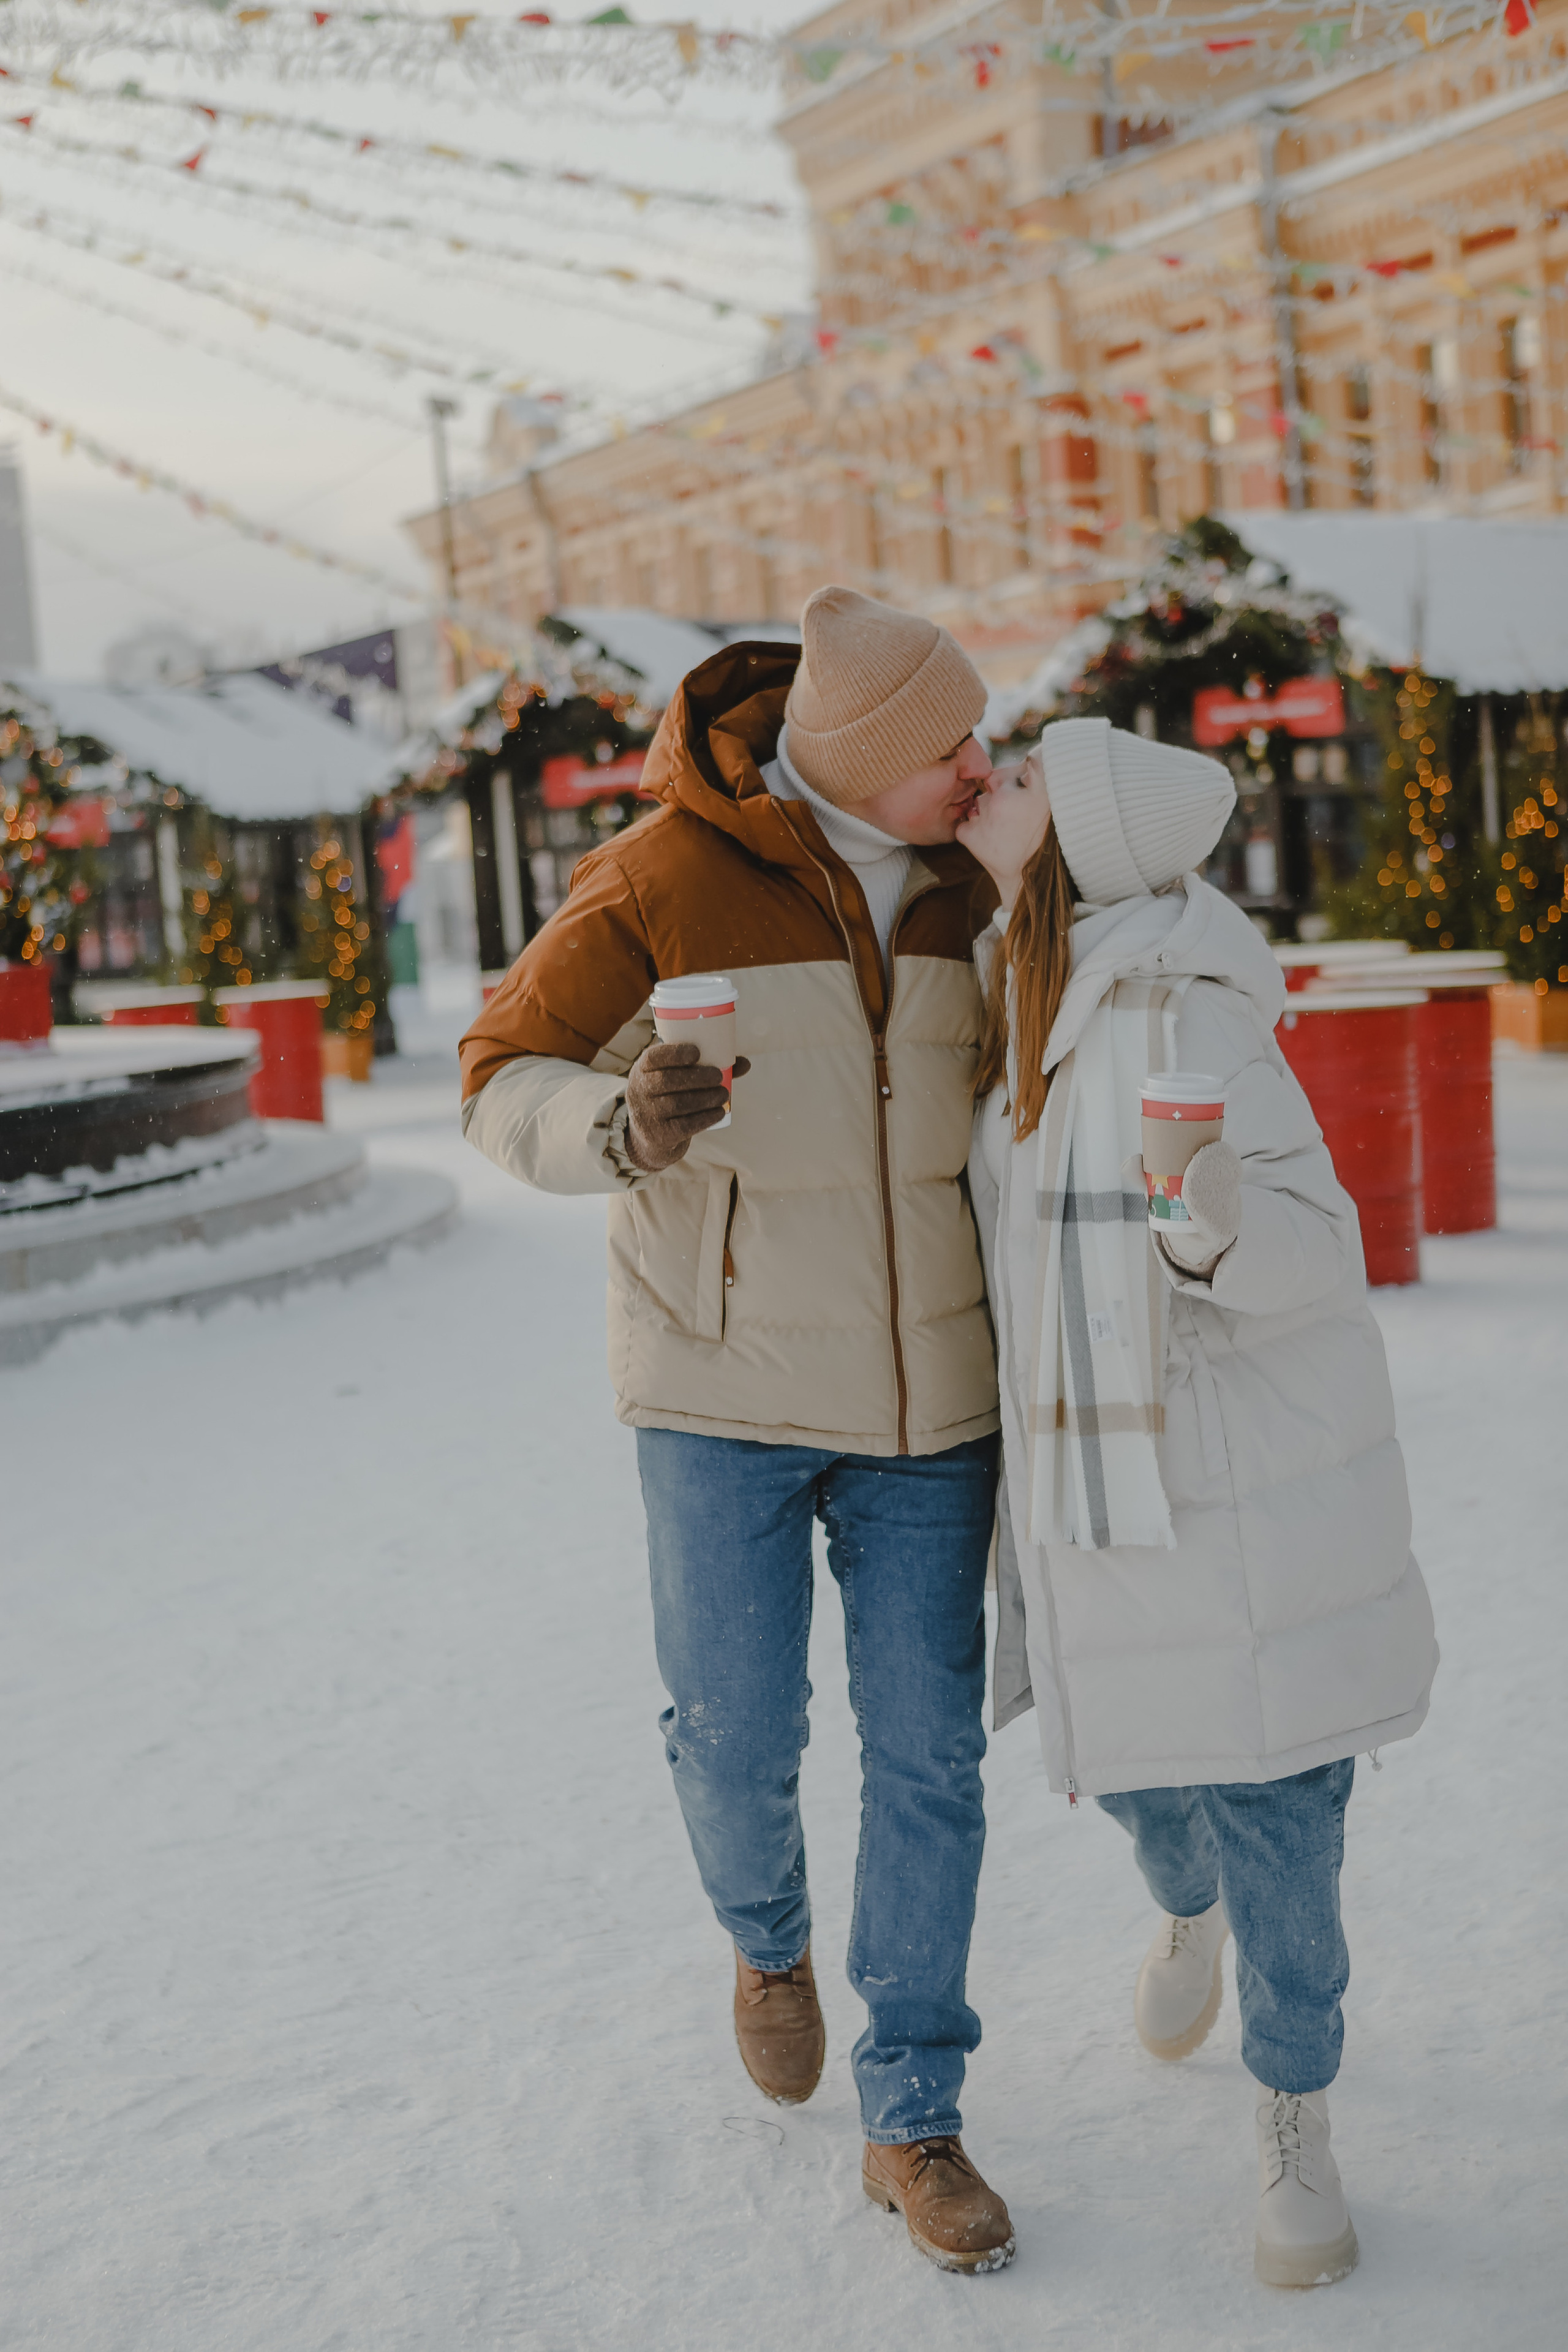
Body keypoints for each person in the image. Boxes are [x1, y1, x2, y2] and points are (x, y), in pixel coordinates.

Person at [459, 587, 1018, 2274]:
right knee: (733, 1730)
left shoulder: (977, 884)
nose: (983, 765)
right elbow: (499, 1072)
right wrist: (618, 1124)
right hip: (719, 1393)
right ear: (856, 758)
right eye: (951, 745)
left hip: (932, 1401)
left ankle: (914, 2112)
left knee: (933, 1756)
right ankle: (764, 1944)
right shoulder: (659, 880)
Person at [957, 722, 1438, 2290]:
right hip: (1093, 1485)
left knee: (1277, 1805)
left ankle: (1293, 2107)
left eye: (1022, 778)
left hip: (1231, 1490)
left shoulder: (1188, 1011)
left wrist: (1212, 1238)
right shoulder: (1016, 993)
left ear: (1080, 844)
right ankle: (1188, 1914)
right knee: (1157, 1791)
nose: (990, 785)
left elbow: (1317, 1240)